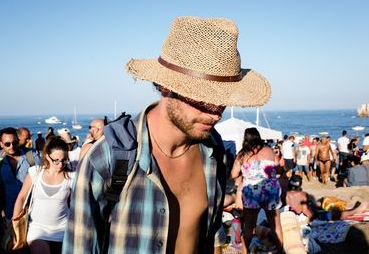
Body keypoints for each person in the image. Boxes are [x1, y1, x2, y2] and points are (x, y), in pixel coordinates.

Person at [62, 16, 272, 254]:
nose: (215, 115)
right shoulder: (107, 158)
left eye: (222, 101)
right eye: (202, 98)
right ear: (165, 86)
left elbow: (210, 236)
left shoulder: (213, 152)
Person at [13, 136, 74, 254]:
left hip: (63, 231)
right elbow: (22, 197)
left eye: (63, 160)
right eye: (55, 160)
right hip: (37, 230)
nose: (60, 164)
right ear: (47, 156)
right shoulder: (35, 172)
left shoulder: (71, 177)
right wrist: (15, 224)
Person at [232, 128, 283, 253]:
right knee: (275, 224)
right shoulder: (269, 150)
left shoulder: (242, 154)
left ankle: (245, 252)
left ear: (246, 139)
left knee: (249, 226)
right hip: (270, 190)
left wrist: (243, 176)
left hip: (251, 192)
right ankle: (281, 251)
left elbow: (234, 174)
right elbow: (279, 169)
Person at [0, 127, 40, 221]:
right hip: (10, 212)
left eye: (14, 143)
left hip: (32, 211)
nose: (11, 146)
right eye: (7, 144)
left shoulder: (32, 157)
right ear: (1, 144)